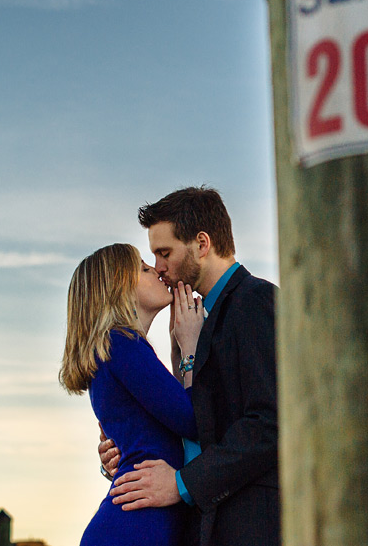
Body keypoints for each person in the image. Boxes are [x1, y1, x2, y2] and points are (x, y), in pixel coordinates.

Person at [99, 186, 280, 546]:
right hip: (201, 527)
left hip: (249, 525)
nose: (158, 267)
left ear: (201, 244)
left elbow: (270, 422)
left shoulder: (254, 300)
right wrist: (129, 444)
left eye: (164, 253)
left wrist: (181, 483)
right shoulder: (186, 321)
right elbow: (196, 426)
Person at [60, 243, 205, 546]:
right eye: (142, 268)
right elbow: (194, 420)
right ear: (117, 288)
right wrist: (190, 348)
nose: (156, 270)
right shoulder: (122, 343)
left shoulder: (114, 349)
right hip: (136, 527)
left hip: (136, 523)